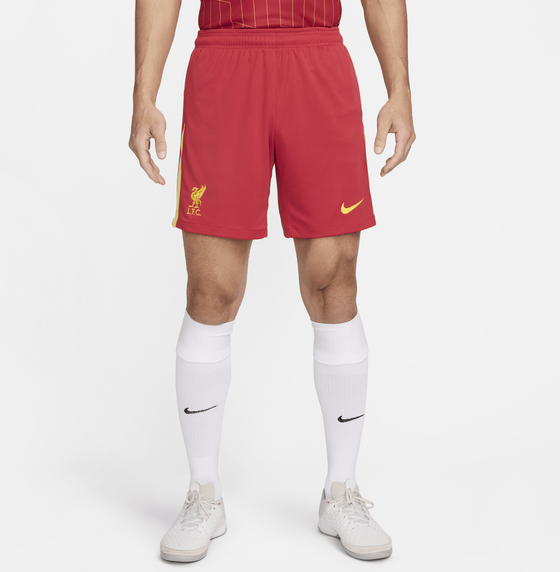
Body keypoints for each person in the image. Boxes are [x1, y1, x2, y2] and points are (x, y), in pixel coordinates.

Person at [129, 0, 415, 563]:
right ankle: (203, 493)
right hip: (224, 60)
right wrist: (144, 95)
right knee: (211, 291)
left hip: (317, 56)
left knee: (334, 283)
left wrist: (399, 87)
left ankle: (341, 491)